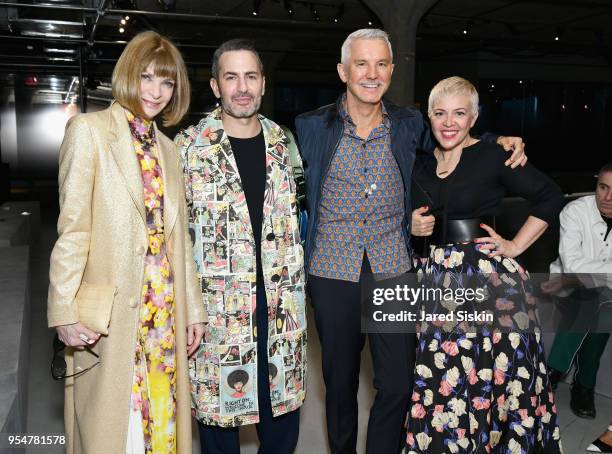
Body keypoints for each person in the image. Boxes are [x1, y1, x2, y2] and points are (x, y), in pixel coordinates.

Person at [295, 28, 527, 454]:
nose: (372, 73)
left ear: (391, 70)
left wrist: (498, 141)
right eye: (361, 63)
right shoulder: (310, 127)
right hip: (331, 270)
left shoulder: (409, 124)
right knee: (340, 385)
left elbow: (453, 141)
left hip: (392, 267)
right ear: (343, 70)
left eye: (381, 64)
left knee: (399, 385)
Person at [47, 31, 206, 454]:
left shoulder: (170, 150)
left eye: (167, 82)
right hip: (112, 316)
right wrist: (63, 307)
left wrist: (195, 309)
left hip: (164, 314)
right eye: (148, 77)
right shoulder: (89, 131)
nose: (156, 91)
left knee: (161, 425)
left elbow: (180, 242)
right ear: (128, 76)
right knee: (114, 432)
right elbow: (73, 229)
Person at [406, 76, 564, 453]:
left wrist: (514, 245)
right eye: (440, 113)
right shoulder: (419, 165)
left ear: (474, 117)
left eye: (460, 113)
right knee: (444, 384)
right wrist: (410, 224)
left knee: (498, 383)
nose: (449, 122)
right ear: (429, 116)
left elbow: (549, 196)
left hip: (490, 283)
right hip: (436, 284)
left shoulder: (494, 155)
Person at [175, 39, 306, 454]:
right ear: (215, 86)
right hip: (217, 312)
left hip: (281, 305)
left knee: (281, 416)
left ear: (264, 83)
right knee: (219, 419)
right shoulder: (188, 148)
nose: (242, 87)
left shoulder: (286, 145)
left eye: (250, 76)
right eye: (231, 77)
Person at [543, 162, 612, 419]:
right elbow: (573, 266)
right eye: (603, 187)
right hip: (569, 286)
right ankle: (583, 385)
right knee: (593, 299)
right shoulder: (575, 211)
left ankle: (554, 372)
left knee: (604, 307)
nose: (608, 197)